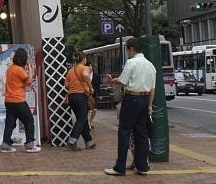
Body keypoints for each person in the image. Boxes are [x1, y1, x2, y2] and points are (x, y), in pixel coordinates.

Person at [104, 37, 156, 176]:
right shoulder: (150, 65)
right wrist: (150, 105)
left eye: (127, 50)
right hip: (145, 99)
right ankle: (142, 166)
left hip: (132, 99)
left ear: (131, 49)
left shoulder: (131, 62)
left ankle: (119, 167)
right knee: (142, 133)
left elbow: (122, 81)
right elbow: (153, 89)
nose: (128, 53)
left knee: (124, 132)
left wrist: (112, 81)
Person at [0, 47, 41, 153]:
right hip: (18, 100)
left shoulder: (10, 68)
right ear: (23, 59)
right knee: (29, 120)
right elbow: (29, 81)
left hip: (8, 101)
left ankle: (6, 144)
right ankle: (30, 145)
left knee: (10, 123)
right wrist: (30, 68)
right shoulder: (19, 70)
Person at [65, 51, 96, 150]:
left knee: (82, 120)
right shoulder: (84, 68)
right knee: (82, 119)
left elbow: (66, 84)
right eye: (85, 58)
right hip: (81, 96)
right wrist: (90, 87)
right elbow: (85, 75)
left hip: (71, 97)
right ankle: (72, 140)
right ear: (83, 59)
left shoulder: (70, 71)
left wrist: (74, 85)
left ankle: (89, 142)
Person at [87, 60, 101, 130]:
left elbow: (98, 86)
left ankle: (90, 121)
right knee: (88, 110)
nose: (90, 67)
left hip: (94, 95)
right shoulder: (85, 75)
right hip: (86, 95)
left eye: (90, 66)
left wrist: (100, 94)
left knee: (94, 110)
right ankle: (88, 124)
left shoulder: (96, 75)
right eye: (88, 66)